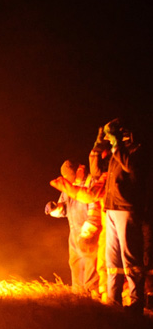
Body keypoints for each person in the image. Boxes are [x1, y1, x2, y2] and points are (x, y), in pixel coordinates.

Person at [98, 119, 147, 312]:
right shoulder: (116, 152)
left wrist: (117, 143)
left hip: (126, 208)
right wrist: (99, 146)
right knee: (112, 260)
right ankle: (113, 300)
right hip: (111, 208)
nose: (110, 139)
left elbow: (130, 167)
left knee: (130, 257)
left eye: (113, 135)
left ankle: (136, 302)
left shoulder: (137, 150)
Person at [44, 160, 98, 296]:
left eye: (69, 178)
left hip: (90, 234)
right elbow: (64, 209)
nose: (68, 181)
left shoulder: (91, 182)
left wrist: (88, 233)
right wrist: (54, 209)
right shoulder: (69, 186)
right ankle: (78, 297)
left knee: (92, 267)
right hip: (74, 234)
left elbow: (95, 208)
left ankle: (94, 299)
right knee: (76, 265)